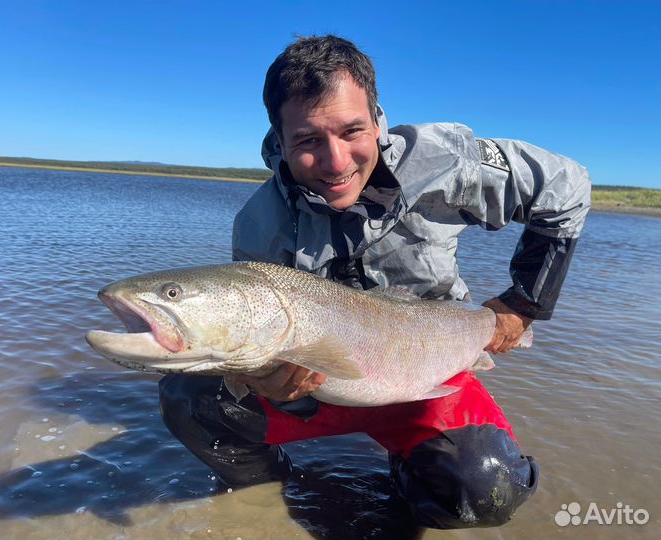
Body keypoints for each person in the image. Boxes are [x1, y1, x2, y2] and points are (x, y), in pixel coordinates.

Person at [159, 35, 591, 529]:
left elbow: (567, 187)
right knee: (188, 399)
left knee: (486, 490)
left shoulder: (442, 162)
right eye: (307, 141)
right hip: (322, 389)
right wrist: (269, 384)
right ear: (279, 140)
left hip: (431, 372)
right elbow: (261, 350)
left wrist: (524, 303)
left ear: (379, 119)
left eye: (352, 131)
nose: (336, 161)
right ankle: (275, 500)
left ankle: (412, 473)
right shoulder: (258, 225)